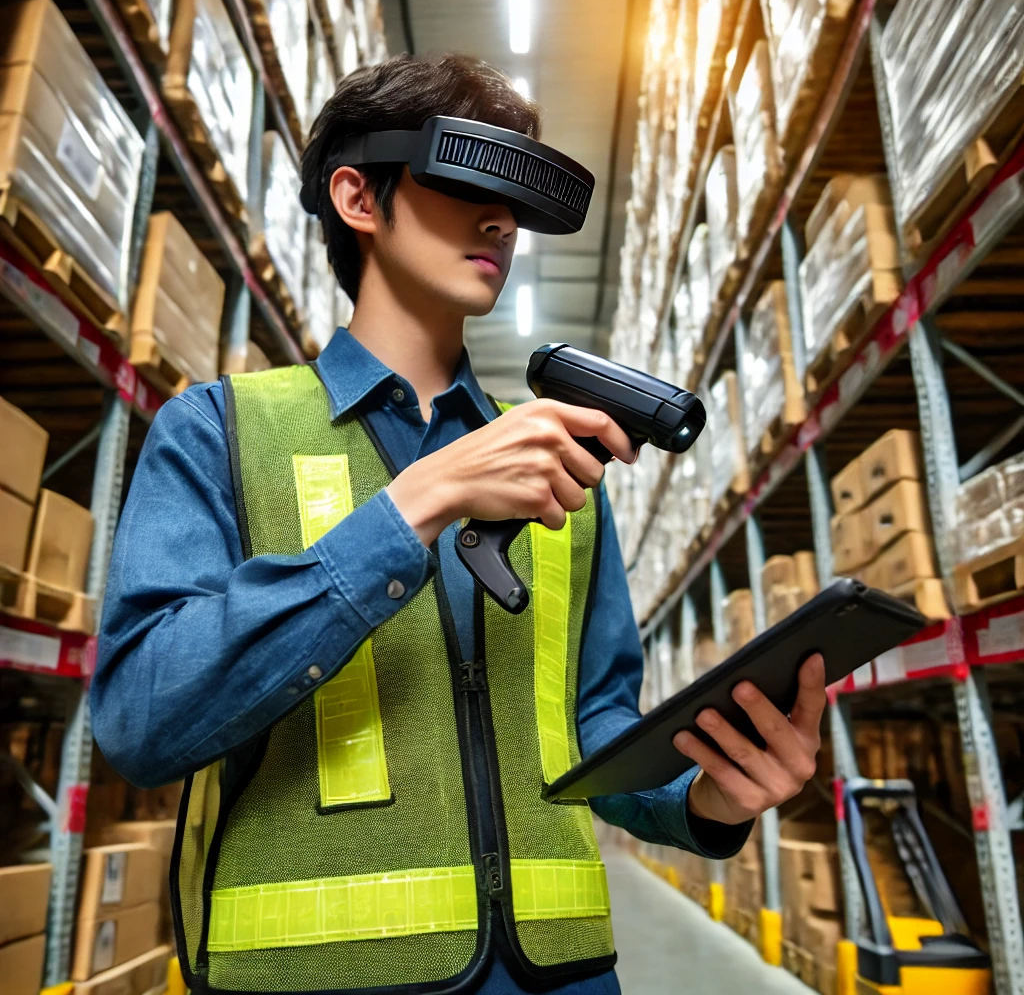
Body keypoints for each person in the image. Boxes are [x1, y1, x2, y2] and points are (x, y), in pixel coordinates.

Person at [92, 52, 826, 995]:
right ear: (358, 197)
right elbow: (144, 715)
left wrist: (711, 795)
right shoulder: (221, 431)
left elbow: (592, 722)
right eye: (466, 176)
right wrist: (415, 505)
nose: (501, 220)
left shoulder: (558, 467)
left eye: (515, 198)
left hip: (562, 979)